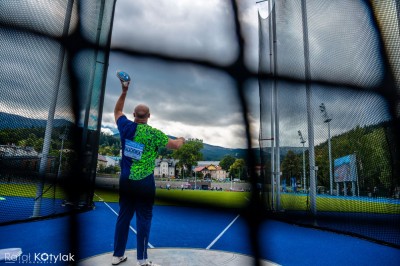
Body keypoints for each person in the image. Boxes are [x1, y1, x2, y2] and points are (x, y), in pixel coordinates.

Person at [112, 79, 185, 266]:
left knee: (124, 216)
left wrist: (124, 91)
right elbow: (176, 146)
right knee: (144, 218)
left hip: (126, 180)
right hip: (144, 182)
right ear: (149, 116)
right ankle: (142, 260)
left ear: (134, 114)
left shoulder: (126, 127)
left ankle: (117, 255)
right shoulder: (154, 134)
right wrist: (181, 139)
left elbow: (117, 111)